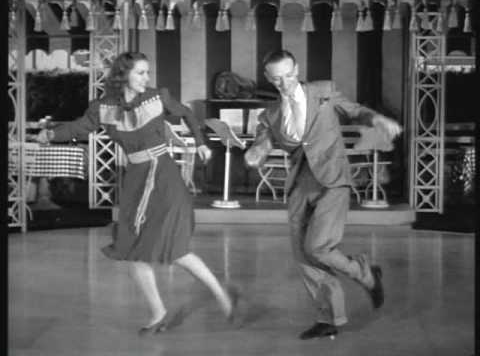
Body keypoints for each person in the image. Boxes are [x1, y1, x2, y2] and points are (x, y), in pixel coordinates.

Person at [37, 52, 238, 335]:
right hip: (135, 179)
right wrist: (50, 134)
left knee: (175, 249)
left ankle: (222, 294)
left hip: (164, 176)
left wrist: (202, 143)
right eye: (140, 72)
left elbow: (188, 115)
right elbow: (81, 127)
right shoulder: (103, 107)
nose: (147, 78)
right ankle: (158, 313)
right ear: (123, 76)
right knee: (133, 251)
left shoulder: (158, 97)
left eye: (147, 72)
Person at [245, 50, 402, 340]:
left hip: (332, 179)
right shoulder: (270, 113)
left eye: (289, 75)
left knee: (318, 247)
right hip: (299, 185)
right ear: (268, 78)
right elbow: (264, 139)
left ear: (297, 69)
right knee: (304, 256)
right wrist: (258, 151)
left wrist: (377, 119)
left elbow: (355, 110)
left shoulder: (324, 92)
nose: (285, 83)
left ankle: (364, 273)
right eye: (277, 79)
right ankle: (328, 318)